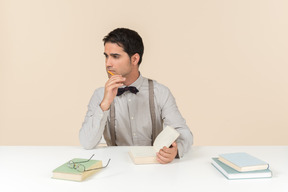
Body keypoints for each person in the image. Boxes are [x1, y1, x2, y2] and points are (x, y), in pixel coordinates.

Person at [79, 28, 193, 164]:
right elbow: (86, 142)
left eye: (115, 56)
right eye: (106, 56)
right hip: (116, 166)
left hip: (154, 167)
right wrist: (105, 104)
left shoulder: (160, 92)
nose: (108, 63)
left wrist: (175, 150)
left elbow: (184, 133)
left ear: (134, 59)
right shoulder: (100, 95)